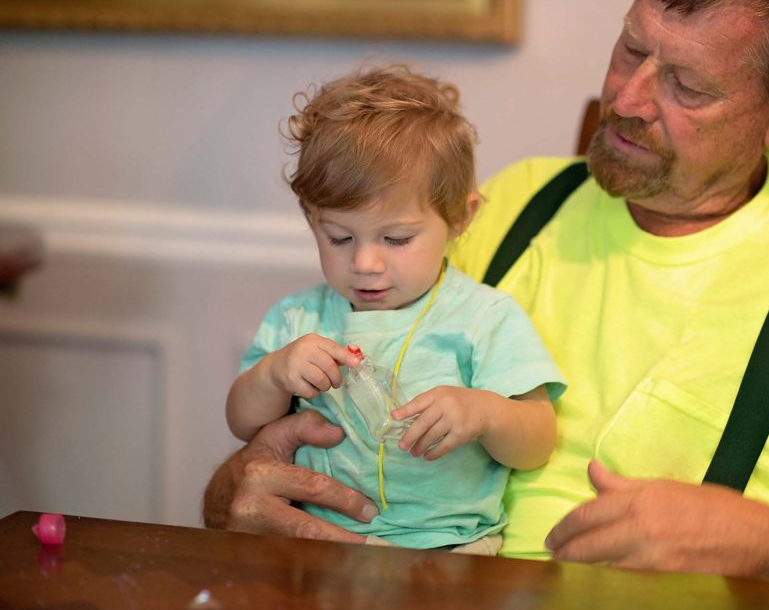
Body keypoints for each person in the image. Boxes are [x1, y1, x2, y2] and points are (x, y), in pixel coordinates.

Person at [204, 0, 769, 589]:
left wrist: (765, 542)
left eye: (687, 87)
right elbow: (245, 483)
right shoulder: (512, 206)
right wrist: (243, 483)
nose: (627, 98)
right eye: (630, 48)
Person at [224, 65, 563, 554]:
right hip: (320, 547)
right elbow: (241, 421)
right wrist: (274, 374)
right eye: (338, 237)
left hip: (451, 548)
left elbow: (538, 441)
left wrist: (486, 413)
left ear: (459, 218)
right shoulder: (297, 318)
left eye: (396, 238)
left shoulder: (483, 317)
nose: (364, 263)